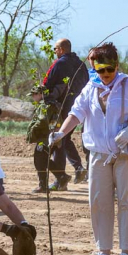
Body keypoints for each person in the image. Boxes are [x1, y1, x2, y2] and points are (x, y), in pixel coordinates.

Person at [50, 43, 128, 255]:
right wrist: (60, 132)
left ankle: (125, 254)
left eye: (109, 70)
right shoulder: (90, 87)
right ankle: (103, 253)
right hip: (98, 154)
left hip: (126, 154)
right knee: (98, 203)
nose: (105, 75)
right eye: (100, 70)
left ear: (117, 66)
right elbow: (76, 113)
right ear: (94, 68)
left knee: (127, 201)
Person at [42, 38, 89, 188]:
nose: (54, 51)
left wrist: (43, 98)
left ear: (61, 49)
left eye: (55, 49)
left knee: (58, 140)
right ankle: (77, 168)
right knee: (65, 138)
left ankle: (61, 179)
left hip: (60, 108)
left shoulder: (59, 63)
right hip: (79, 109)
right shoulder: (81, 64)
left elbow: (47, 85)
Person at [26, 85, 63, 193]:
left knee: (39, 161)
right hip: (51, 136)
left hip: (44, 138)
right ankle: (61, 176)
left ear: (40, 94)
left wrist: (32, 129)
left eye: (34, 95)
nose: (33, 97)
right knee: (43, 160)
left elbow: (42, 121)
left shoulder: (44, 105)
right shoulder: (52, 103)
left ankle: (44, 185)